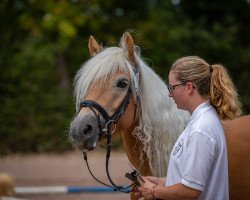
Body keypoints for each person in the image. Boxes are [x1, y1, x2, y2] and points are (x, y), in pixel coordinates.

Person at [136, 56, 242, 199]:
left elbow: (190, 191)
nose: (169, 93)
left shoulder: (200, 129)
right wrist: (163, 182)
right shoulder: (202, 120)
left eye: (172, 87)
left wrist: (153, 191)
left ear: (189, 87)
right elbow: (197, 177)